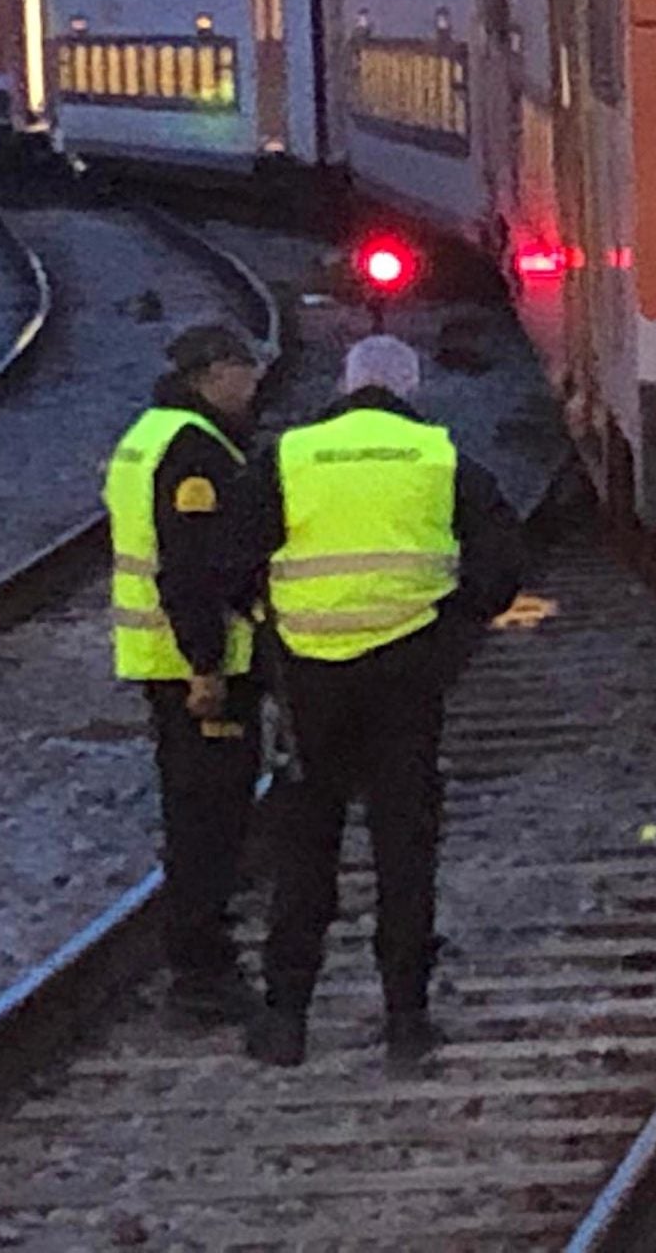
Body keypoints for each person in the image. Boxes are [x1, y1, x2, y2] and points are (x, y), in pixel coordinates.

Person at [244, 334, 525, 1071]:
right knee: (404, 844)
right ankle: (406, 1018)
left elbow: (230, 558)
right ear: (410, 387)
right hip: (405, 674)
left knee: (306, 844)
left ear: (344, 385)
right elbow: (501, 557)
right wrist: (455, 624)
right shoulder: (438, 456)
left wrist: (265, 632)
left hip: (309, 679)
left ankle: (285, 1020)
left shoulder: (291, 456)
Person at [103, 321, 270, 1021]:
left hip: (161, 659)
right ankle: (201, 974)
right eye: (243, 369)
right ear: (210, 374)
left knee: (192, 812)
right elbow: (192, 569)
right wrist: (206, 665)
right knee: (211, 819)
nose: (254, 381)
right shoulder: (194, 452)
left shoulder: (147, 435)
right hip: (198, 668)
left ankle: (200, 961)